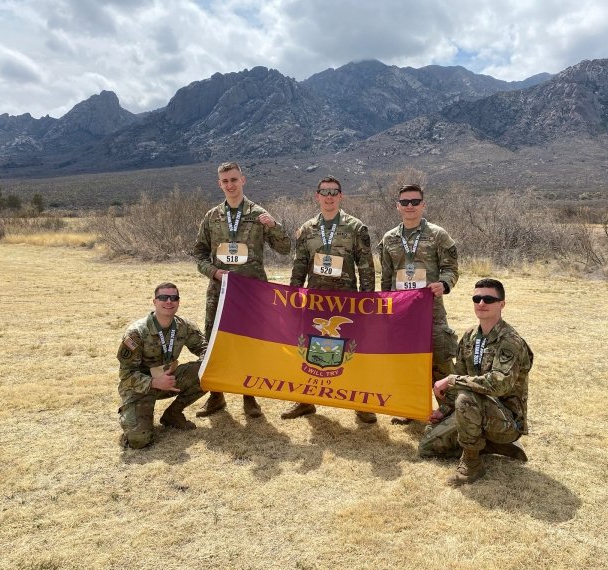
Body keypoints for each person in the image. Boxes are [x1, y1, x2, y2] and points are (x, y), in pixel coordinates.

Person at [193, 162, 291, 418]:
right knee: (215, 343)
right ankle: (216, 397)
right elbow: (199, 253)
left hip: (252, 293)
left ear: (243, 180)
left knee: (250, 343)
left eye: (234, 179)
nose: (230, 185)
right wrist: (213, 272)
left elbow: (284, 248)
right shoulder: (212, 216)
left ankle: (250, 397)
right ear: (219, 184)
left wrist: (273, 226)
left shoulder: (258, 214)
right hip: (220, 291)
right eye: (225, 181)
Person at [281, 175, 377, 424]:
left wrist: (368, 303)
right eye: (325, 192)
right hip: (314, 301)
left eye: (334, 192)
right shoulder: (307, 229)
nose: (329, 197)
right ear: (317, 196)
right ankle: (305, 401)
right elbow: (299, 265)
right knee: (308, 349)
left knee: (353, 351)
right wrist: (293, 295)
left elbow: (366, 267)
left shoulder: (356, 228)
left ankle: (361, 403)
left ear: (341, 196)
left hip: (347, 302)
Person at [418, 278, 533, 484]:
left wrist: (453, 380)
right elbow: (461, 374)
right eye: (477, 298)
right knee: (427, 446)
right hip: (474, 409)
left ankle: (472, 464)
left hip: (506, 421)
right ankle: (488, 445)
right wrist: (442, 411)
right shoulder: (470, 336)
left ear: (501, 304)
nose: (481, 303)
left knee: (465, 396)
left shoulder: (510, 341)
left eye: (488, 299)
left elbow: (499, 383)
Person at [377, 184, 459, 424]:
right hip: (402, 314)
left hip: (430, 311)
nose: (410, 206)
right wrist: (386, 309)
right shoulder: (389, 238)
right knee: (407, 363)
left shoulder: (438, 235)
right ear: (398, 206)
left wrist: (444, 284)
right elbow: (386, 277)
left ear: (423, 204)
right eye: (405, 202)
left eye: (415, 201)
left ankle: (450, 412)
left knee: (441, 361)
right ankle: (410, 409)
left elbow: (451, 268)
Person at [117, 283, 209, 449]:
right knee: (139, 440)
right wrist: (154, 382)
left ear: (178, 302)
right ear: (154, 301)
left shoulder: (184, 326)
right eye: (163, 298)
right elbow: (126, 375)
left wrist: (206, 362)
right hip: (139, 387)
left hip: (169, 380)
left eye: (174, 298)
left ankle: (172, 415)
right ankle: (134, 418)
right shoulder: (136, 333)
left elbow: (204, 349)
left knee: (207, 371)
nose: (169, 301)